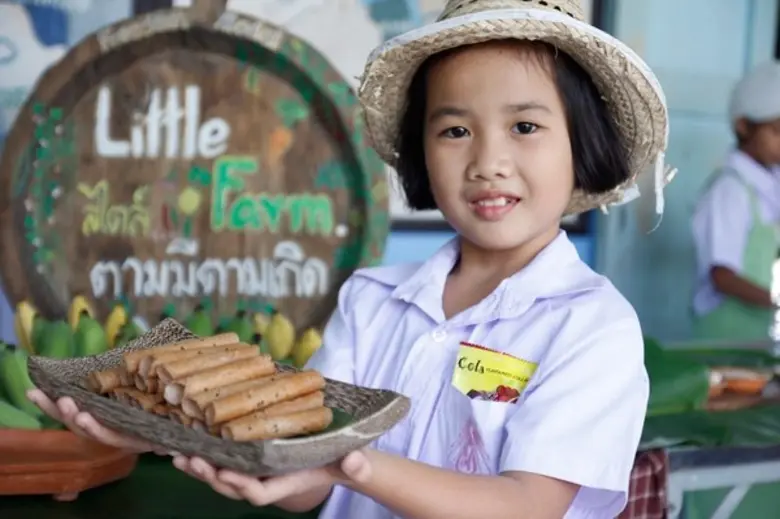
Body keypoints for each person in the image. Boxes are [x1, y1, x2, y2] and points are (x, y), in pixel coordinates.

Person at [28, 1, 671, 517]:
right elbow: (303, 482)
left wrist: (350, 463)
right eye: (455, 130)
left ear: (582, 145)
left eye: (525, 127)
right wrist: (167, 431)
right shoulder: (372, 299)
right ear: (421, 152)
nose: (487, 161)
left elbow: (528, 506)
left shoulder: (592, 328)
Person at [691, 61, 780, 342]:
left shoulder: (769, 184)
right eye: (777, 131)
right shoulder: (730, 190)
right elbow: (722, 276)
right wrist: (776, 302)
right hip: (725, 337)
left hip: (757, 337)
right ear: (743, 126)